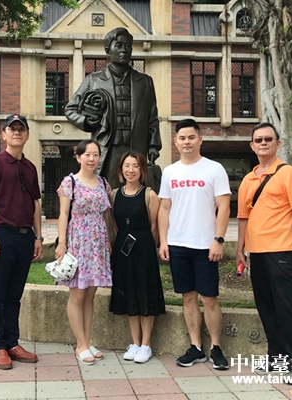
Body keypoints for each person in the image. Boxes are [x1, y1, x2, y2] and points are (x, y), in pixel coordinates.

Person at [236, 122, 292, 383]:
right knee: (266, 307)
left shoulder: (288, 173)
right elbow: (243, 218)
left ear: (278, 143)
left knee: (287, 307)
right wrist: (239, 251)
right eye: (258, 140)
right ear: (252, 145)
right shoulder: (248, 179)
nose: (263, 143)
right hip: (256, 253)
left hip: (283, 251)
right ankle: (277, 357)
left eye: (268, 139)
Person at [158, 119, 231, 370]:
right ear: (176, 142)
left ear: (200, 140)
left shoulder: (214, 169)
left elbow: (224, 207)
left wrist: (218, 240)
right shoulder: (170, 171)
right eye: (182, 138)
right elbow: (164, 208)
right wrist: (164, 241)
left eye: (191, 137)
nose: (186, 142)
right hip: (178, 244)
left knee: (209, 298)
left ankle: (216, 347)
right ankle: (196, 347)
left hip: (205, 245)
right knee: (188, 297)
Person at [0, 114, 43, 370]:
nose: (16, 133)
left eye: (21, 129)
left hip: (25, 237)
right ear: (3, 134)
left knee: (14, 295)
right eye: (11, 129)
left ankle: (12, 342)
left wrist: (38, 236)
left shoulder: (30, 167)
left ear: (27, 136)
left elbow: (35, 203)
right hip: (0, 235)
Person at [64, 27, 161, 191]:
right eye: (119, 45)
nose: (124, 50)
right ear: (108, 50)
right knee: (108, 195)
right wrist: (87, 122)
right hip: (108, 150)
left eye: (128, 46)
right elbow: (70, 109)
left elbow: (152, 118)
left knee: (135, 195)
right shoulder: (93, 80)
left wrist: (153, 145)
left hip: (136, 149)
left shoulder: (145, 82)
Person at [55, 139, 112, 365]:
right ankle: (80, 344)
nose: (91, 158)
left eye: (95, 154)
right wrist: (62, 243)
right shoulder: (70, 182)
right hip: (78, 241)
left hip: (98, 243)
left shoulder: (103, 183)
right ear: (78, 157)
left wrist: (108, 242)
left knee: (90, 294)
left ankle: (87, 341)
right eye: (87, 154)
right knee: (78, 294)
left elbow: (106, 214)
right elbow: (63, 214)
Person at [109, 151, 165, 364]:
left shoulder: (149, 195)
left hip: (144, 249)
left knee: (145, 293)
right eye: (127, 166)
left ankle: (146, 344)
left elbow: (154, 226)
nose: (130, 170)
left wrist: (147, 246)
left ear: (142, 170)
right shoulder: (114, 195)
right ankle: (135, 342)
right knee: (129, 293)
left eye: (135, 166)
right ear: (121, 169)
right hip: (123, 250)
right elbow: (115, 225)